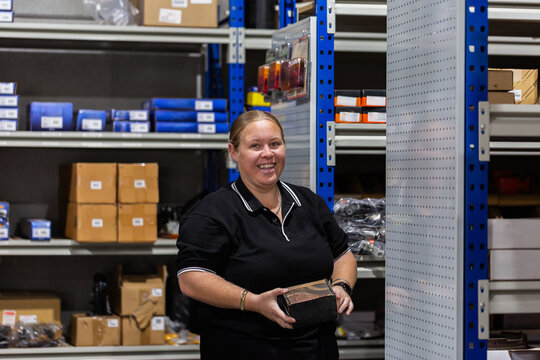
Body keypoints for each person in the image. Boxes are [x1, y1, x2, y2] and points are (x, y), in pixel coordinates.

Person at [176, 110, 357, 359]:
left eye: (275, 144)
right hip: (245, 349)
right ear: (234, 152)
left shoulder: (309, 202)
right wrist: (253, 302)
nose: (268, 154)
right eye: (255, 146)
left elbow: (343, 254)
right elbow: (191, 278)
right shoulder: (212, 212)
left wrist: (341, 286)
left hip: (316, 349)